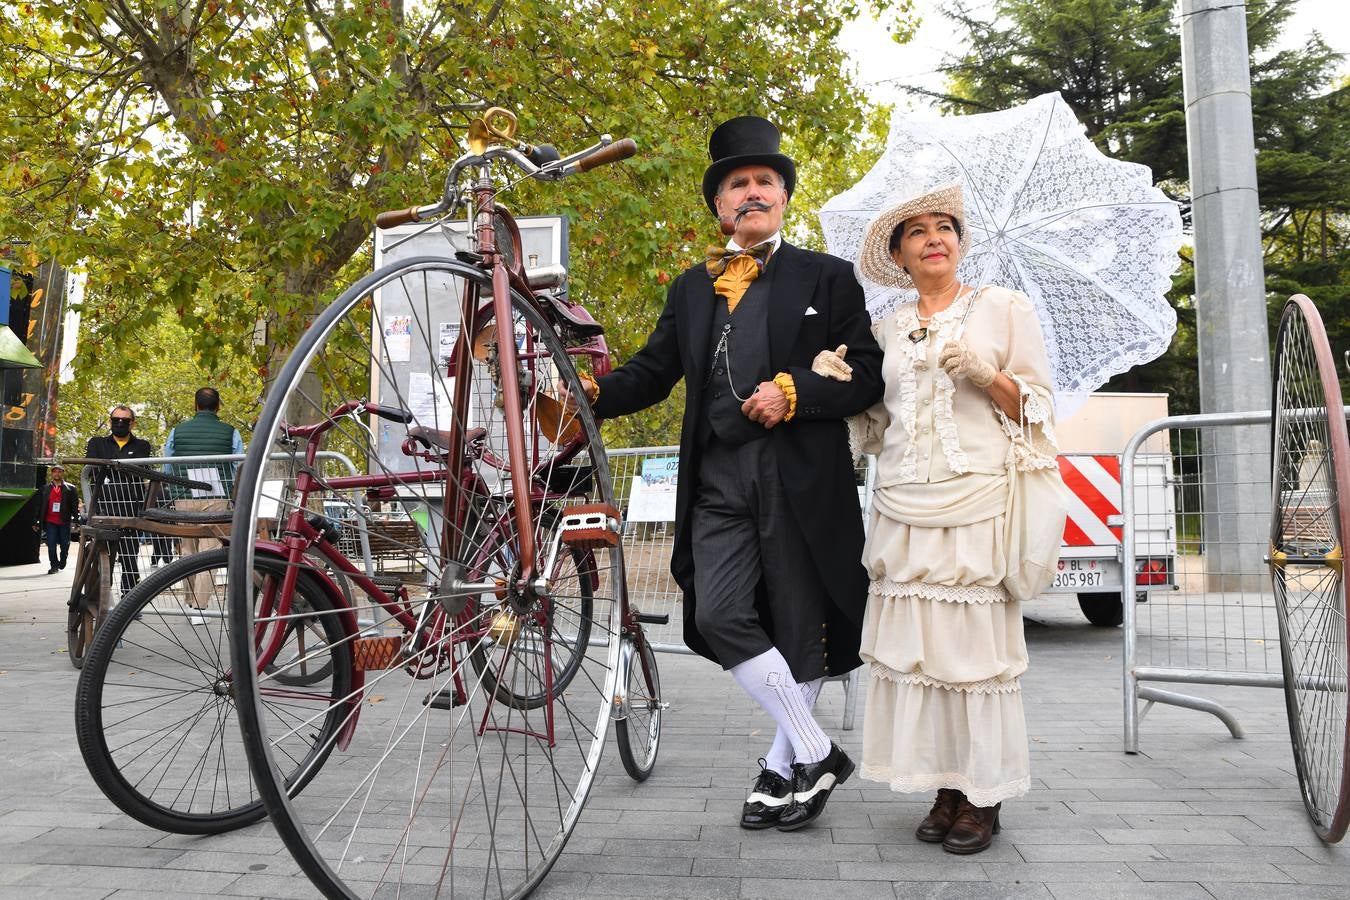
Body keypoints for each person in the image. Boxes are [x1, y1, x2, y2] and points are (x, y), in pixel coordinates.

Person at [568, 116, 884, 831]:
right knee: (716, 612)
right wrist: (592, 391)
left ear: (783, 197)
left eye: (763, 182)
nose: (751, 193)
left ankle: (782, 770)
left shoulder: (827, 278)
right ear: (718, 204)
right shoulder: (691, 286)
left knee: (802, 630)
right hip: (717, 477)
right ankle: (817, 750)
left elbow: (867, 376)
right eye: (736, 184)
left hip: (800, 476)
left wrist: (796, 391)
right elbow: (653, 373)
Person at [839, 182, 1067, 854]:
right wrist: (842, 392)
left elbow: (1038, 408)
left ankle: (983, 796)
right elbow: (882, 427)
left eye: (945, 226)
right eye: (917, 231)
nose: (935, 236)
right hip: (904, 506)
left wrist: (985, 373)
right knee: (923, 657)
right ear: (900, 255)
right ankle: (945, 786)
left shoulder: (1002, 308)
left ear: (960, 244)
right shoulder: (885, 329)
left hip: (977, 502)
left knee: (974, 656)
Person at [163, 387, 244, 607]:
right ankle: (200, 605)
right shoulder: (231, 432)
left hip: (184, 495)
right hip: (217, 496)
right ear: (218, 406)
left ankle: (190, 600)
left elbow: (168, 465)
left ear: (195, 405)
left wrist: (172, 491)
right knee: (210, 550)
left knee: (187, 549)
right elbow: (238, 466)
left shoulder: (177, 431)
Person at [85, 405, 154, 593]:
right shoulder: (96, 443)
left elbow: (137, 473)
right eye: (116, 420)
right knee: (101, 555)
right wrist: (122, 470)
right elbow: (93, 471)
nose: (120, 424)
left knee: (130, 556)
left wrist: (110, 469)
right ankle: (99, 596)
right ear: (110, 422)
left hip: (131, 509)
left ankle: (128, 598)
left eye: (125, 420)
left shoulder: (143, 446)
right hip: (103, 508)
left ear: (133, 423)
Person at [34, 465, 79, 574]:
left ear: (62, 473)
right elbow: (38, 506)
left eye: (59, 472)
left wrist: (77, 521)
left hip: (64, 521)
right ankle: (53, 565)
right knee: (51, 544)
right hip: (50, 521)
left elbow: (74, 505)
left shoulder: (71, 488)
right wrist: (35, 521)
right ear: (52, 474)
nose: (57, 474)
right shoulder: (45, 488)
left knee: (65, 544)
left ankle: (63, 559)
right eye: (55, 472)